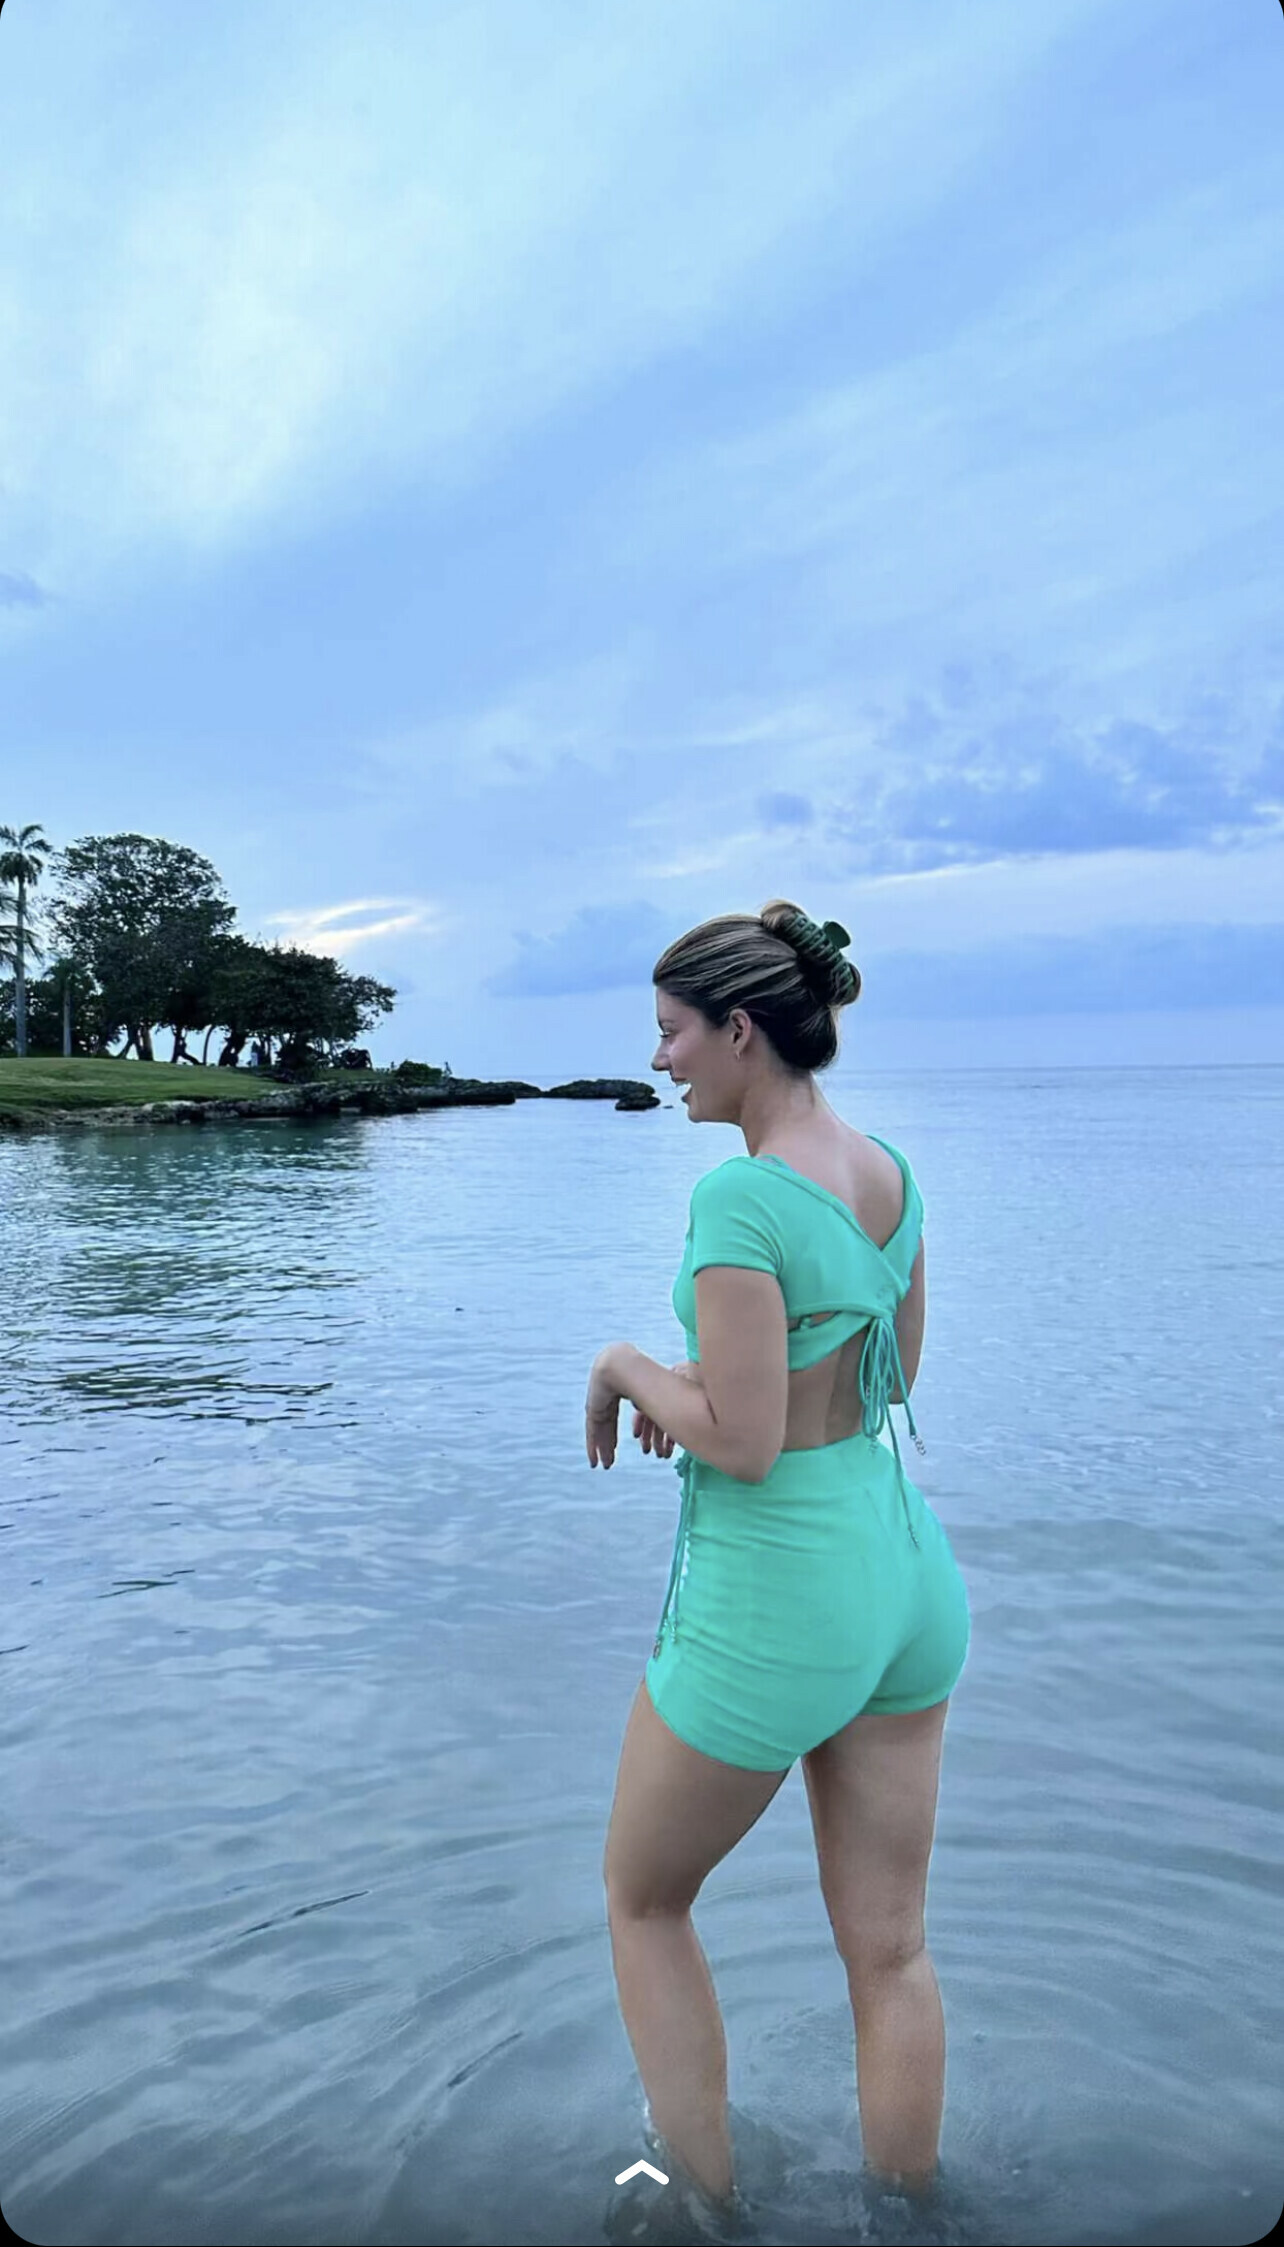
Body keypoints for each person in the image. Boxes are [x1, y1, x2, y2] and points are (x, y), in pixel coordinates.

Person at [585, 898, 970, 2227]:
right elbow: (882, 1383)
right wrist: (708, 1382)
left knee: (642, 1902)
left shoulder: (739, 1195)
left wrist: (628, 1365)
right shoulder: (889, 1173)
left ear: (740, 1029)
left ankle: (695, 2211)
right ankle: (912, 2215)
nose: (660, 1060)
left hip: (778, 1600)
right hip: (903, 1580)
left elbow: (745, 1449)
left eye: (672, 1032)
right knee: (892, 1951)